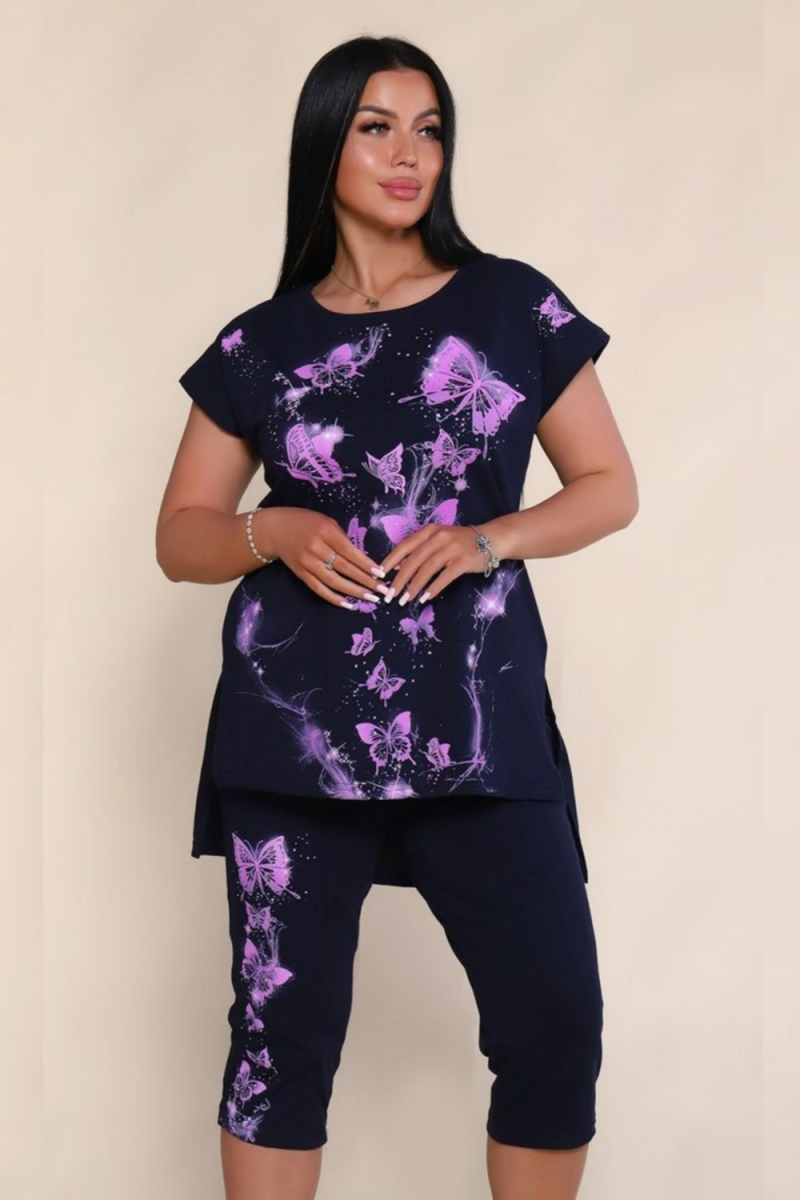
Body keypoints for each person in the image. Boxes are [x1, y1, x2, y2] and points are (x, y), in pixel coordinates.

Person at [156, 35, 638, 1200]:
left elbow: (606, 487)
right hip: (293, 731)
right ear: (325, 143)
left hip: (476, 727)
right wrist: (270, 530)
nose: (408, 153)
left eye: (428, 129)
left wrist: (487, 539)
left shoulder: (511, 302)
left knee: (552, 1023)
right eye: (376, 127)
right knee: (279, 1041)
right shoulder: (260, 342)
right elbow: (180, 536)